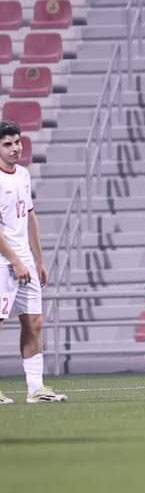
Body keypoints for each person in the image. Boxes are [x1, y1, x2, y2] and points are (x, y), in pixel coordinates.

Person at [0, 120, 66, 405]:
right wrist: (14, 260)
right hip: (4, 262)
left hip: (25, 261)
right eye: (7, 144)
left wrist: (38, 260)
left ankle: (36, 389)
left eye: (18, 142)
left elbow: (30, 217)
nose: (15, 148)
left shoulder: (24, 175)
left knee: (35, 322)